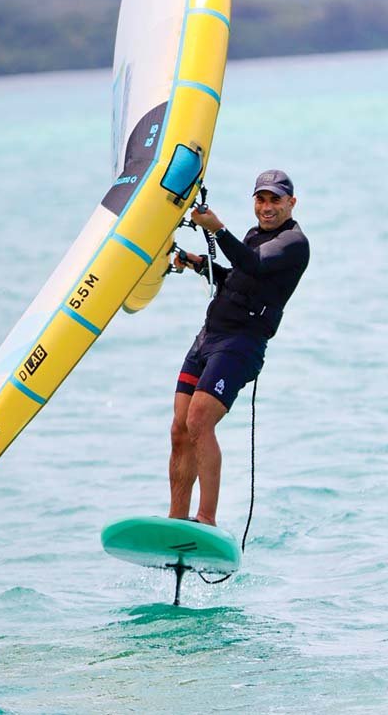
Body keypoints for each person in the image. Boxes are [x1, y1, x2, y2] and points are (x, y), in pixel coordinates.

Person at [168, 169, 310, 526]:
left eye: (275, 200)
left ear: (291, 203)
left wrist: (216, 227)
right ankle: (175, 521)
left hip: (240, 345)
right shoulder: (252, 235)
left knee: (199, 419)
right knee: (180, 429)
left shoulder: (294, 243)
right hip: (209, 336)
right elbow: (236, 278)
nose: (266, 207)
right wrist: (198, 262)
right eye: (261, 199)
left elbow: (255, 265)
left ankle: (207, 519)